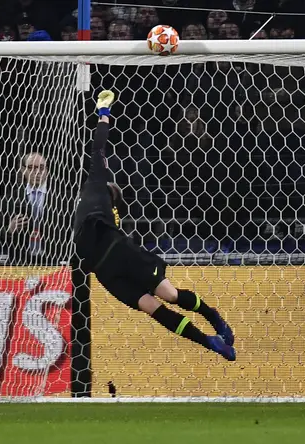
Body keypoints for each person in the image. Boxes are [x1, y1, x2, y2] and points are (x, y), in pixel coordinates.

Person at [71, 90, 237, 362]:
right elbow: (98, 147)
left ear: (114, 199)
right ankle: (209, 341)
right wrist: (103, 115)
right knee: (153, 306)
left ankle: (212, 319)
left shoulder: (98, 192)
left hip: (117, 254)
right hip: (104, 270)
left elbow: (98, 146)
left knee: (168, 296)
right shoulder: (96, 185)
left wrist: (104, 113)